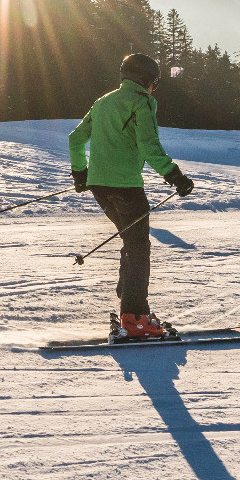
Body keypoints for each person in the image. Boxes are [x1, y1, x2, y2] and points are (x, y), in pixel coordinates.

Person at [67, 53, 194, 340]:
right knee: (138, 247)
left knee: (131, 241)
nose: (154, 89)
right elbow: (149, 145)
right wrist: (175, 176)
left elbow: (75, 139)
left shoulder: (102, 102)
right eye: (155, 84)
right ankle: (135, 318)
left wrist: (80, 174)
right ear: (146, 81)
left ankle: (130, 308)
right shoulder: (143, 102)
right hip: (126, 188)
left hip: (100, 187)